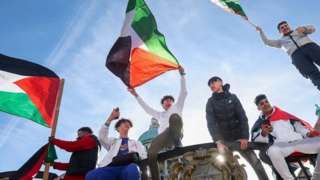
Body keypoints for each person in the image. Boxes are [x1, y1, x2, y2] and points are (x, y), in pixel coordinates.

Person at [128, 66, 187, 180]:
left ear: (173, 102)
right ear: (162, 105)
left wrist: (182, 75)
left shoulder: (178, 107)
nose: (168, 102)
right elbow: (146, 109)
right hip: (164, 137)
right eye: (165, 101)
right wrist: (136, 95)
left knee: (174, 117)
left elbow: (184, 92)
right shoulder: (160, 115)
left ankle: (177, 145)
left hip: (175, 132)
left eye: (170, 100)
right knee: (151, 153)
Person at [206, 76, 269, 180]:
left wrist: (244, 137)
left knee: (256, 163)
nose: (212, 85)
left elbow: (242, 117)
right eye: (210, 84)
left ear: (221, 82)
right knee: (226, 169)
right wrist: (217, 140)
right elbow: (211, 122)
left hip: (240, 140)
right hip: (224, 142)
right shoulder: (210, 102)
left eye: (214, 82)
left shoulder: (233, 97)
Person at [251, 94, 320, 180]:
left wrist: (307, 133)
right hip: (283, 146)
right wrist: (263, 133)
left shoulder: (284, 114)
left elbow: (299, 127)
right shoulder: (260, 123)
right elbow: (255, 139)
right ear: (258, 108)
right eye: (262, 104)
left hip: (299, 142)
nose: (265, 104)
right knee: (273, 151)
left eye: (266, 101)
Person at [256, 21, 320, 91]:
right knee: (313, 74)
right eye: (282, 28)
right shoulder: (281, 41)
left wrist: (305, 28)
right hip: (296, 55)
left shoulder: (298, 30)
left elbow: (313, 28)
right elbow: (267, 42)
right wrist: (261, 31)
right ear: (280, 31)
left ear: (289, 26)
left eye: (286, 26)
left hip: (310, 47)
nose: (285, 28)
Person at [86, 108, 147, 180]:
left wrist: (136, 155)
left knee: (133, 170)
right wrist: (111, 118)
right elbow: (102, 137)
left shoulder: (136, 143)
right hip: (111, 167)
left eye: (129, 124)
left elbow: (144, 155)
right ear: (118, 128)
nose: (127, 124)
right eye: (124, 123)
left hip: (128, 166)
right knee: (91, 175)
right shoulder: (113, 141)